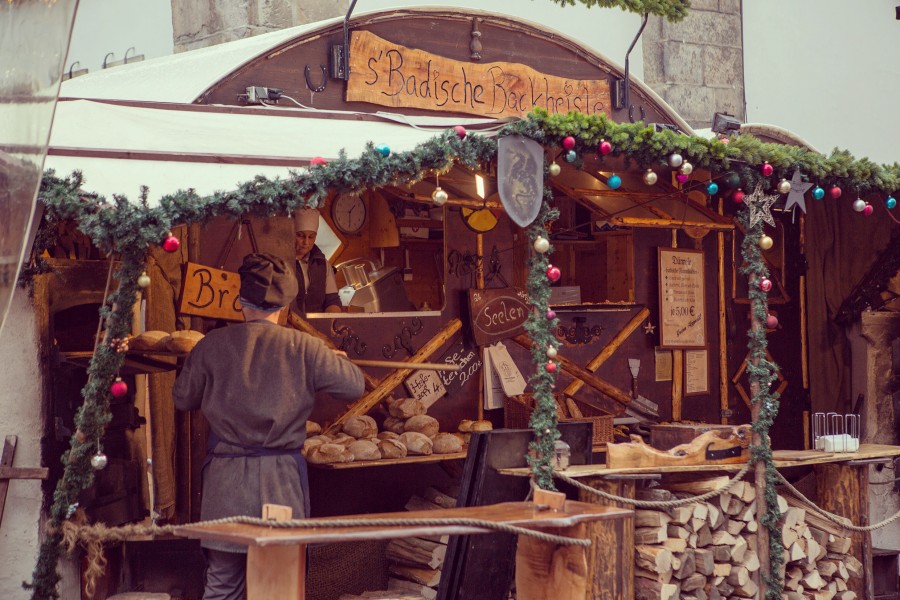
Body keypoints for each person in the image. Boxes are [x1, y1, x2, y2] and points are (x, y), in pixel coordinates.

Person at [173, 252, 364, 600]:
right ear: (285, 304)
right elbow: (353, 386)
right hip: (280, 485)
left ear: (240, 300)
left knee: (222, 587)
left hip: (225, 485)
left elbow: (183, 399)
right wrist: (333, 360)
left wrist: (202, 366)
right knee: (277, 590)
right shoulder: (306, 347)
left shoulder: (210, 346)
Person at [292, 208, 342, 314]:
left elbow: (332, 301)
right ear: (291, 233)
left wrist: (330, 320)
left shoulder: (322, 264)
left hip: (316, 326)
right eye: (300, 235)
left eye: (311, 237)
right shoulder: (281, 263)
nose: (306, 242)